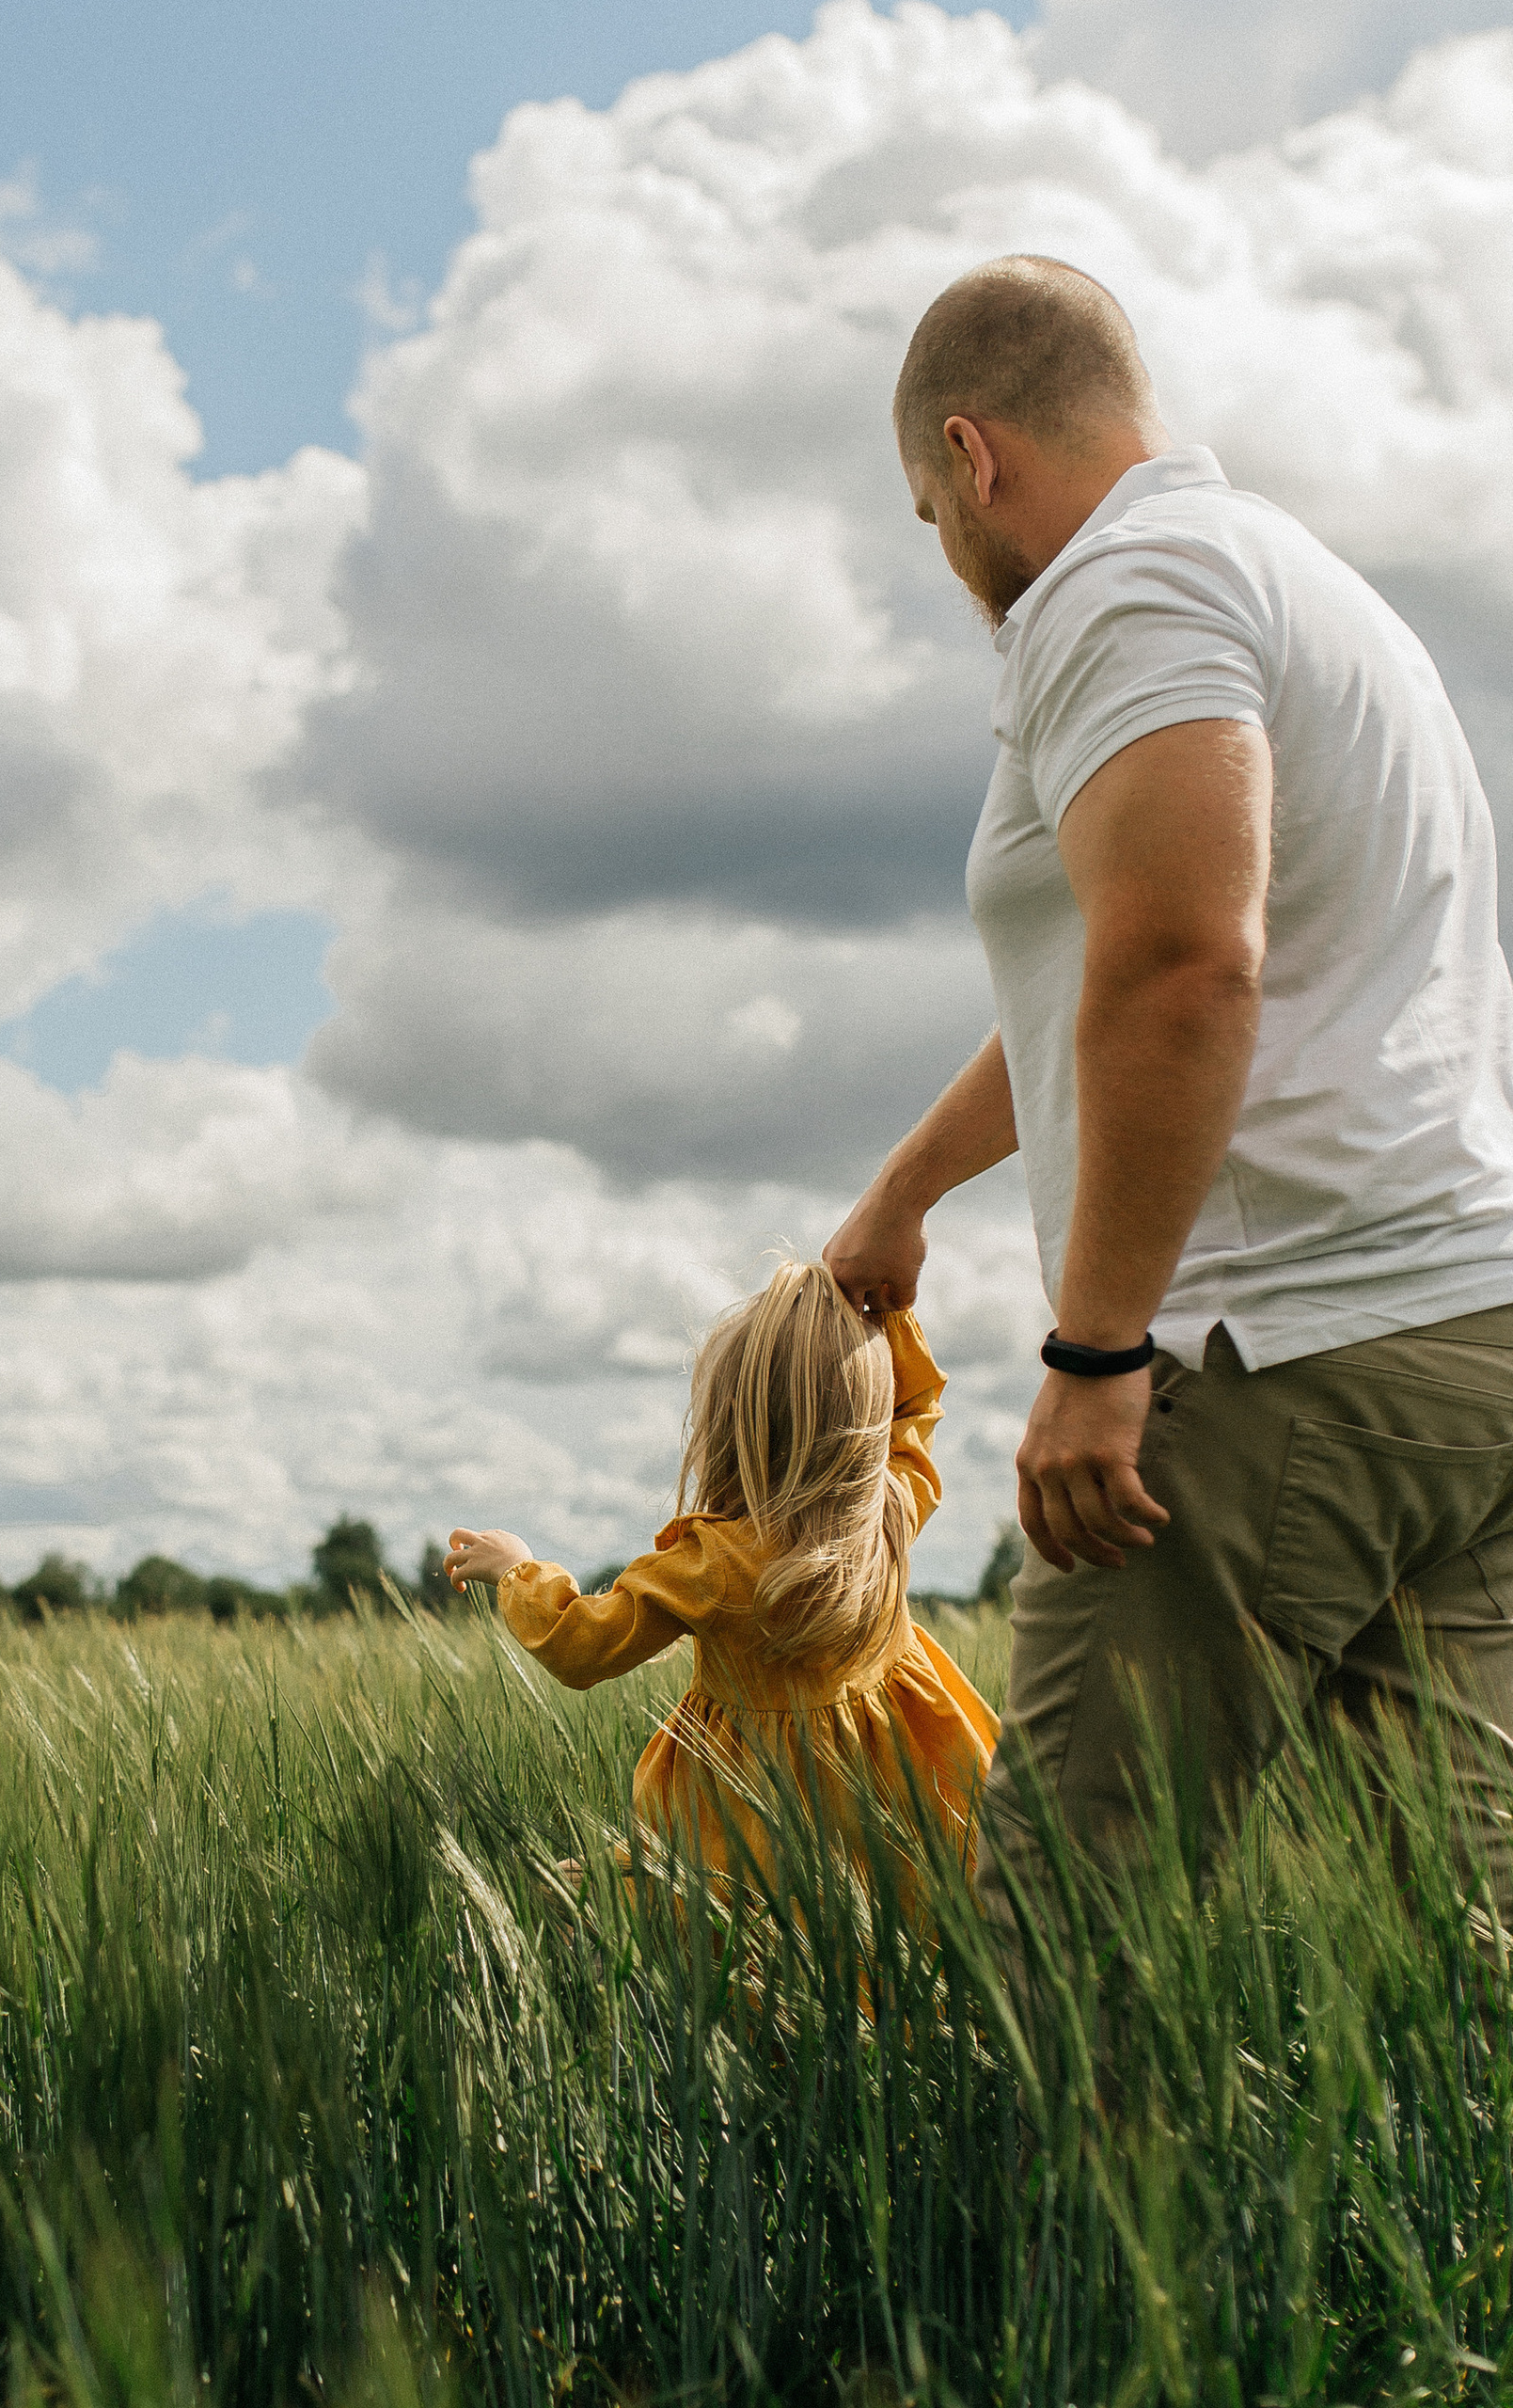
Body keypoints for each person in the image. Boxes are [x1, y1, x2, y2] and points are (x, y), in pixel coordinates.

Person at [825, 254, 1513, 1924]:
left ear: (975, 458)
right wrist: (908, 1193)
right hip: (1467, 1352)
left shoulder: (1125, 592)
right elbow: (1099, 968)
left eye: (930, 517)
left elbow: (1187, 965)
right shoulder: (1300, 580)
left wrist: (1100, 1349)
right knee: (1445, 1948)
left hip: (1265, 1355)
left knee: (1069, 1937)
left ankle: (1055, 2204)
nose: (952, 562)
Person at [445, 1265, 998, 1906]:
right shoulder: (889, 1514)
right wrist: (890, 1319)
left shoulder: (713, 1562)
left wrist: (518, 1569)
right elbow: (917, 1414)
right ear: (866, 1428)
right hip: (896, 1803)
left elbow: (579, 1646)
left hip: (750, 1824)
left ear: (733, 1429)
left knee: (720, 1935)